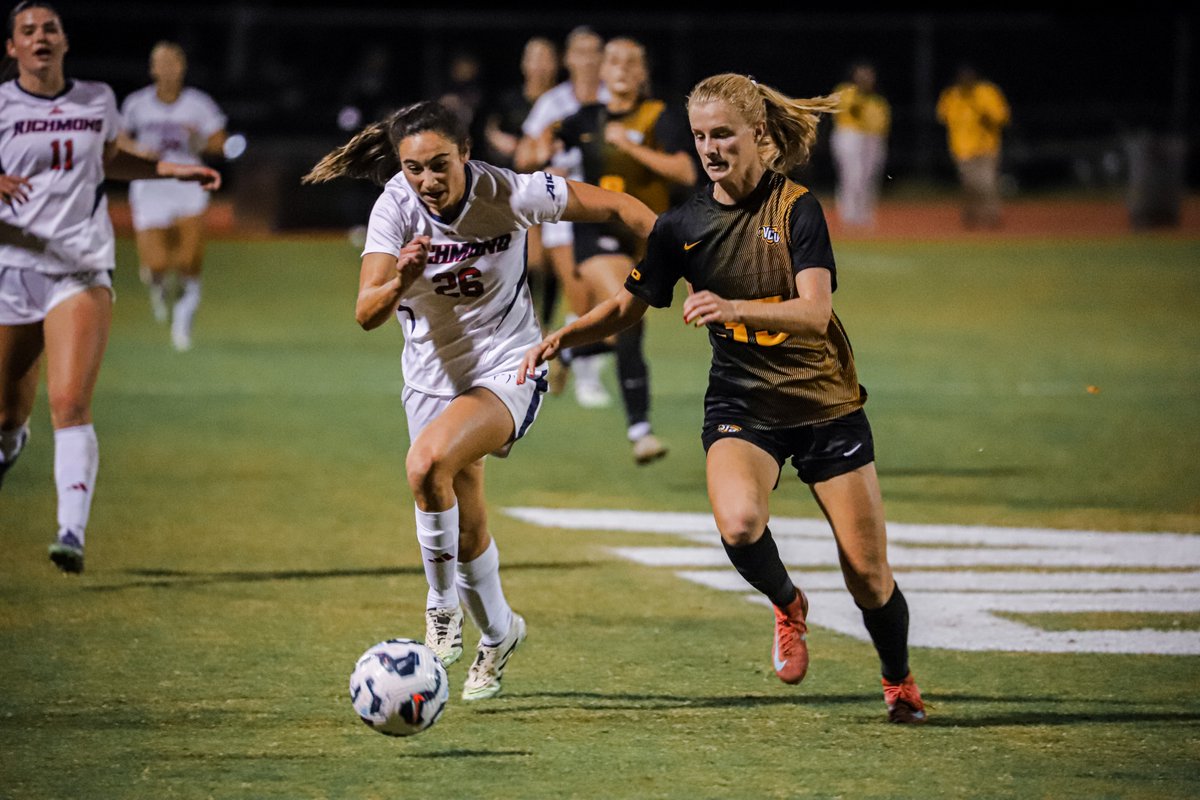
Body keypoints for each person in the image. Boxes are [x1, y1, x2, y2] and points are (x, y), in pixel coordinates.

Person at [520, 72, 927, 724]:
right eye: (701, 136)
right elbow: (628, 304)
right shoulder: (683, 226)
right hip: (743, 404)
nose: (710, 148)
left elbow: (816, 312)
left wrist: (732, 305)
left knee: (870, 578)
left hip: (825, 406)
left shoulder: (797, 209)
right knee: (739, 523)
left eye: (723, 135)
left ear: (758, 135)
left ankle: (898, 679)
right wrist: (567, 334)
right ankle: (788, 604)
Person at [301, 100, 655, 701]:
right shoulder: (394, 206)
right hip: (428, 379)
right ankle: (500, 633)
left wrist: (688, 256)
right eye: (414, 168)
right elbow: (366, 313)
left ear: (466, 154)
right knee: (465, 528)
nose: (428, 182)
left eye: (440, 165)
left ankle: (440, 610)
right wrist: (402, 277)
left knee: (425, 464)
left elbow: (620, 207)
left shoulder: (512, 193)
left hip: (508, 367)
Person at [0, 1, 221, 572]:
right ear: (13, 48)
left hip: (79, 265)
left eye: (50, 27)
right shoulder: (2, 105)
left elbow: (112, 159)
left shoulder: (95, 99)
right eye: (28, 30)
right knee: (6, 414)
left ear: (65, 41)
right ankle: (9, 443)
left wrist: (172, 169)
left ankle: (70, 531)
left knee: (70, 399)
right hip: (14, 268)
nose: (40, 36)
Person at [552, 37, 697, 464]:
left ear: (641, 73)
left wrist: (630, 145)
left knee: (624, 325)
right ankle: (642, 432)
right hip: (597, 235)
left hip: (646, 238)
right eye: (611, 60)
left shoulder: (659, 116)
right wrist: (538, 153)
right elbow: (540, 149)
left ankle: (563, 349)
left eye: (628, 62)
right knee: (625, 313)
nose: (618, 67)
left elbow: (686, 170)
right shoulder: (581, 118)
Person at [514, 25, 610, 407]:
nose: (587, 60)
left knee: (613, 301)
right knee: (581, 295)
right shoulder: (553, 104)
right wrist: (543, 162)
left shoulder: (614, 100)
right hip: (565, 211)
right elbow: (525, 157)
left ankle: (565, 356)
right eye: (580, 52)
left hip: (607, 208)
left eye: (594, 52)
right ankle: (585, 378)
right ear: (568, 59)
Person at [118, 40, 227, 351]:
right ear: (152, 69)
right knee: (155, 264)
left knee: (190, 260)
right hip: (151, 186)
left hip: (188, 185)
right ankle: (158, 286)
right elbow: (118, 139)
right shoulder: (137, 104)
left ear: (182, 67)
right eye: (160, 63)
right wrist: (138, 150)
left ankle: (183, 320)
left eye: (172, 62)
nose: (167, 69)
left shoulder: (198, 104)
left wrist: (200, 143)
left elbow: (220, 141)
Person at [480, 36, 560, 324]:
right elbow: (491, 136)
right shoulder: (509, 101)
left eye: (545, 57)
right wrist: (514, 147)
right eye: (533, 57)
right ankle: (525, 320)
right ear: (524, 64)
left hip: (555, 189)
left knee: (551, 263)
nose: (539, 65)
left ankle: (545, 323)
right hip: (516, 190)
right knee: (527, 261)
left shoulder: (562, 102)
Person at [936, 63, 1010, 229]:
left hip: (987, 147)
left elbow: (1003, 116)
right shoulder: (952, 95)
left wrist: (987, 115)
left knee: (986, 183)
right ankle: (971, 214)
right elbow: (942, 115)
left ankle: (992, 217)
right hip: (961, 148)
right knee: (969, 184)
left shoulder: (987, 92)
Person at [829, 60, 889, 228]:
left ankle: (864, 214)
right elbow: (852, 110)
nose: (866, 78)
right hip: (848, 135)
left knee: (868, 177)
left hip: (870, 139)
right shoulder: (845, 91)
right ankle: (848, 214)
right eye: (862, 74)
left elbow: (881, 124)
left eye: (869, 75)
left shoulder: (877, 100)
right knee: (852, 175)